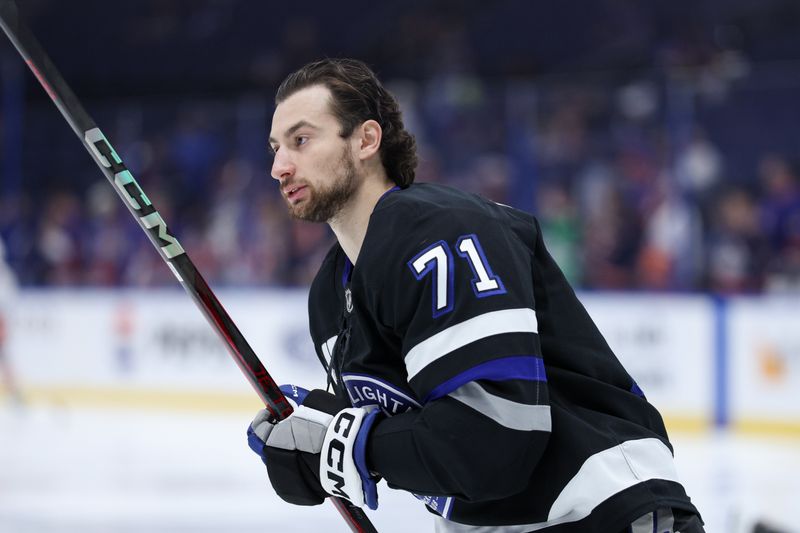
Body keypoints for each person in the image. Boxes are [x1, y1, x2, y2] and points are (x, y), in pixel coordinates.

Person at [246, 58, 704, 533]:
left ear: (366, 140)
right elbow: (400, 437)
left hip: (602, 515)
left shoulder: (440, 233)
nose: (279, 167)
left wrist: (348, 447)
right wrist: (310, 441)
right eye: (276, 148)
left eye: (301, 141)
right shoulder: (330, 296)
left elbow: (497, 438)